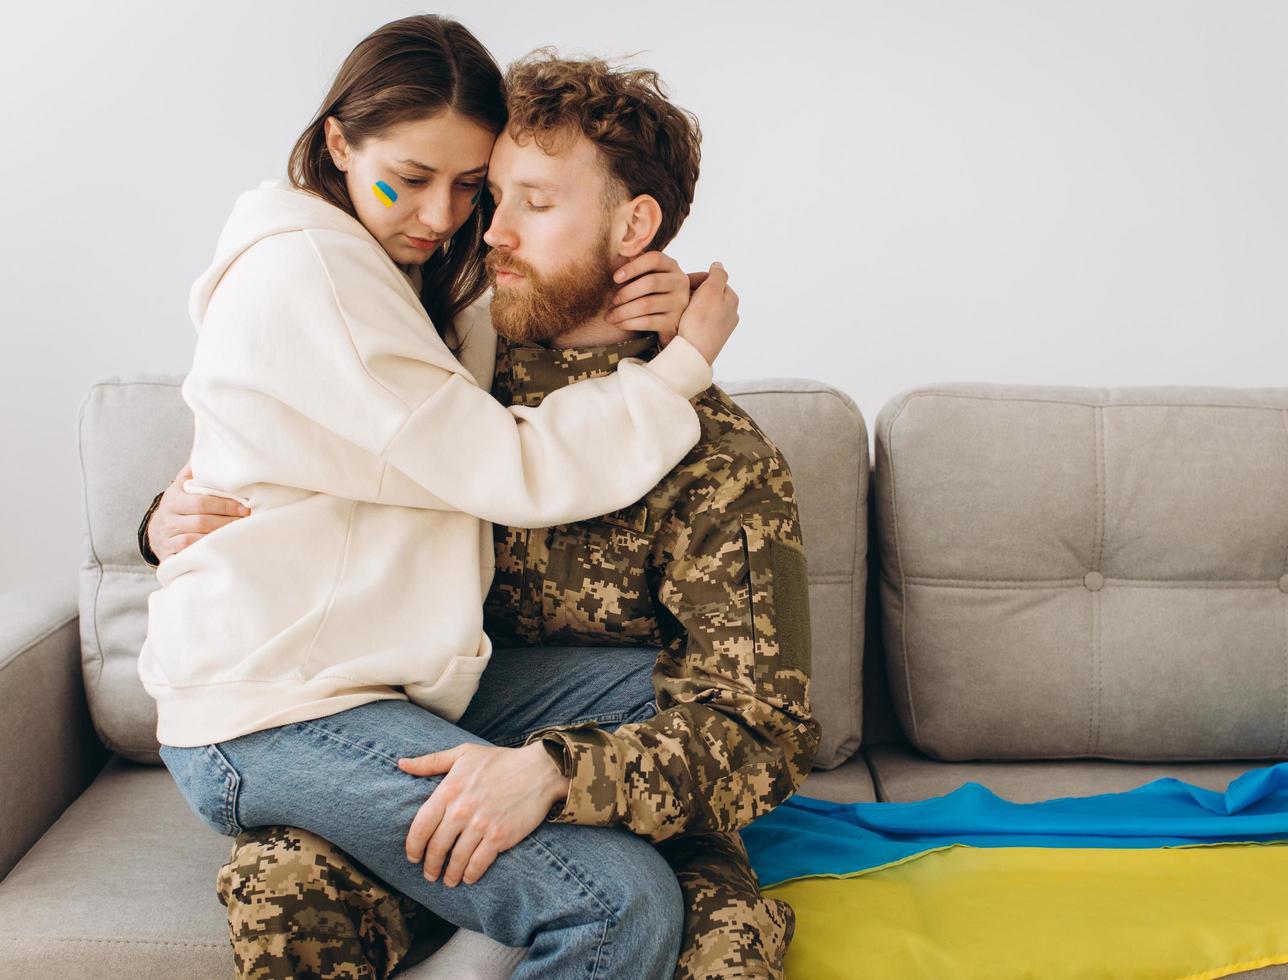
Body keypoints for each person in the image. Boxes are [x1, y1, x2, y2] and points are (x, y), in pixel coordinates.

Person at [146, 43, 820, 980]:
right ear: (339, 145)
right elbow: (325, 437)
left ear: (636, 227)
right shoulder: (424, 338)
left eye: (515, 200)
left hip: (455, 702)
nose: (478, 227)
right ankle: (505, 912)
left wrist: (555, 772)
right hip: (330, 700)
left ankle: (505, 908)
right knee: (308, 889)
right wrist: (168, 516)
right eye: (487, 196)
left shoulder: (707, 454)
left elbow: (762, 727)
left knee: (683, 908)